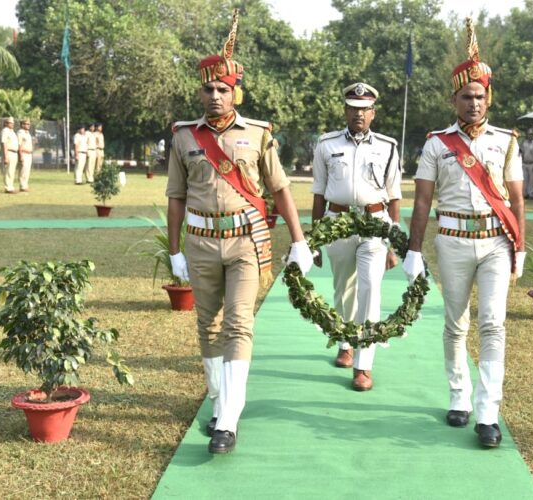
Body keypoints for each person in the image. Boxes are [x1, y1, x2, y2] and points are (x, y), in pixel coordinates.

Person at [165, 10, 313, 454]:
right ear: (201, 91)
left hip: (246, 239)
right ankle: (217, 398)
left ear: (236, 93)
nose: (215, 95)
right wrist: (175, 252)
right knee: (207, 324)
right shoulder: (182, 137)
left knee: (238, 324)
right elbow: (175, 196)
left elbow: (281, 190)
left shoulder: (260, 134)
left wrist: (300, 240)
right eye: (208, 88)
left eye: (223, 89)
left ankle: (229, 418)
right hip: (200, 241)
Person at [403, 18, 525, 449]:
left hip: (495, 242)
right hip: (452, 240)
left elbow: (515, 196)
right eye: (466, 96)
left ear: (487, 97)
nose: (473, 103)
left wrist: (520, 246)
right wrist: (413, 251)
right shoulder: (437, 143)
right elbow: (421, 202)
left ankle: (488, 412)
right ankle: (459, 396)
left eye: (480, 96)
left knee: (493, 324)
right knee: (455, 324)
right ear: (453, 99)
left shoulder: (507, 141)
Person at [310, 82, 402, 391]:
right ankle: (345, 340)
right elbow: (319, 194)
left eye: (364, 110)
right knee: (343, 289)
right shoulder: (325, 144)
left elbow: (394, 196)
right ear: (345, 111)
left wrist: (392, 242)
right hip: (338, 222)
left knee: (370, 290)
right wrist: (315, 239)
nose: (358, 114)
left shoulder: (388, 146)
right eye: (353, 108)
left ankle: (363, 365)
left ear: (373, 113)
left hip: (374, 223)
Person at [0, 117, 19, 194]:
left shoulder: (12, 132)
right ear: (6, 123)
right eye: (10, 123)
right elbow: (4, 143)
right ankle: (8, 187)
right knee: (8, 171)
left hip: (14, 152)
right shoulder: (5, 131)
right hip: (9, 152)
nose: (12, 124)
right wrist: (5, 156)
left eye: (13, 123)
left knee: (12, 170)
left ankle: (11, 186)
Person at [17, 119, 34, 192]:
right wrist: (20, 155)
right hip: (24, 153)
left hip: (29, 154)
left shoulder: (28, 133)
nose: (28, 125)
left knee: (27, 170)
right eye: (27, 124)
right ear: (22, 125)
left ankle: (25, 185)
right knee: (23, 170)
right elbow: (19, 145)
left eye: (29, 124)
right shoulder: (20, 133)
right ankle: (22, 186)